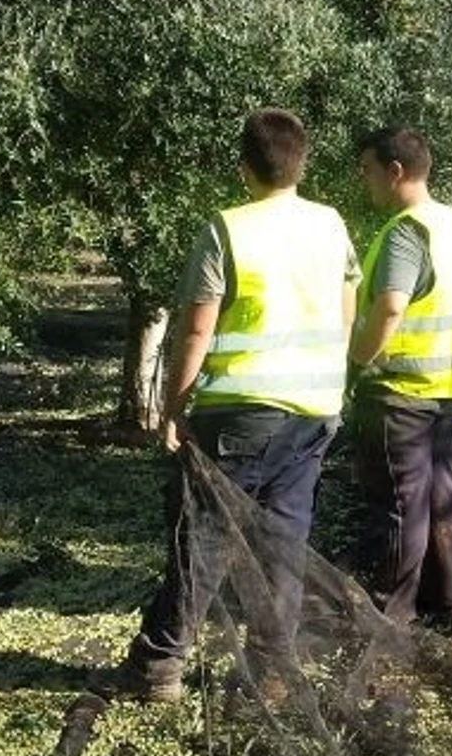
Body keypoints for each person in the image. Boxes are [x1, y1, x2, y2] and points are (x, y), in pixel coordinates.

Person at [93, 108, 359, 704]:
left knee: (204, 536)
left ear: (245, 167)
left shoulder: (228, 228)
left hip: (241, 412)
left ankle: (158, 666)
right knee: (285, 539)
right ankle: (270, 668)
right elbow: (347, 309)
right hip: (314, 411)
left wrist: (174, 407)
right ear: (301, 161)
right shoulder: (331, 224)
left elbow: (195, 330)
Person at [348, 126, 452, 625]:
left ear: (396, 171)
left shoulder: (408, 231)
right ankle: (445, 598)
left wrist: (355, 364)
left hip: (399, 391)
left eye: (367, 171)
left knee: (401, 506)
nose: (366, 182)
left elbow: (389, 310)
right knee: (442, 494)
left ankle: (393, 610)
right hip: (447, 387)